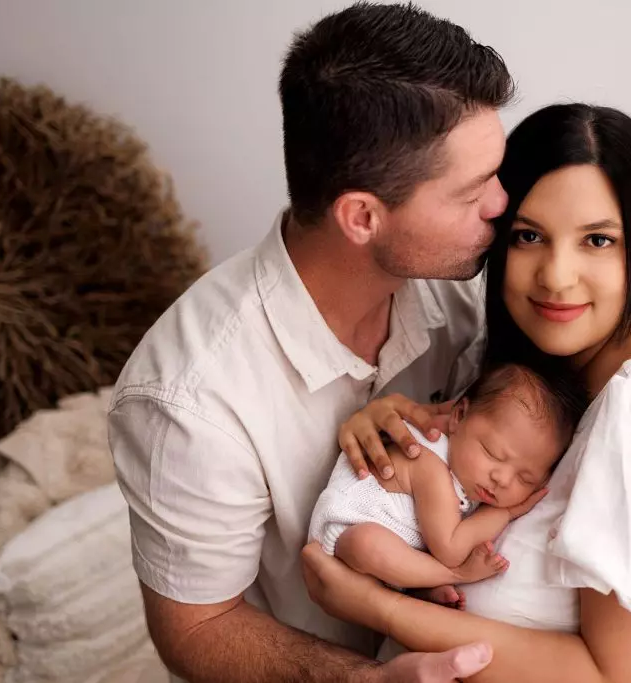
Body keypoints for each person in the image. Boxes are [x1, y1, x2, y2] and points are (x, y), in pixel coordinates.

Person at [106, 4, 517, 682]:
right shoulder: (190, 397)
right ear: (361, 216)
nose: (502, 205)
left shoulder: (456, 292)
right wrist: (364, 678)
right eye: (472, 192)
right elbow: (199, 627)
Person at [303, 103, 631, 683]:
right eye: (529, 235)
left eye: (597, 240)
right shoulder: (516, 366)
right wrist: (384, 423)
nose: (556, 276)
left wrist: (379, 607)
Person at [308, 362, 587, 597]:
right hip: (343, 537)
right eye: (492, 453)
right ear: (459, 415)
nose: (502, 479)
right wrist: (506, 512)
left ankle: (422, 584)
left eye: (526, 479)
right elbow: (450, 548)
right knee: (366, 543)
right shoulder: (428, 464)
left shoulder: (467, 468)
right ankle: (453, 576)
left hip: (395, 552)